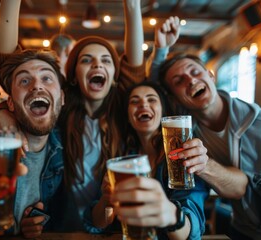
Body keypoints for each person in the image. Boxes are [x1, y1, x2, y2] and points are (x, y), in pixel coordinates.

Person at [156, 53, 261, 240]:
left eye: (195, 72)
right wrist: (160, 49)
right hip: (239, 228)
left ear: (211, 76)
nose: (190, 80)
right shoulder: (186, 134)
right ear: (175, 98)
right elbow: (150, 93)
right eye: (179, 80)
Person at [53, 0, 146, 232]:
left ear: (114, 77)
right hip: (62, 228)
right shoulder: (59, 113)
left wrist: (133, 8)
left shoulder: (124, 112)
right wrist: (4, 111)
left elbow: (134, 66)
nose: (97, 64)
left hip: (109, 226)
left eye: (106, 60)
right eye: (86, 60)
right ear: (74, 75)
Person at [87, 81, 209, 239]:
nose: (143, 104)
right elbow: (98, 223)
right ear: (128, 117)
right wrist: (106, 199)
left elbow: (192, 230)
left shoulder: (183, 155)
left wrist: (171, 214)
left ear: (162, 112)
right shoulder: (122, 163)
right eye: (134, 101)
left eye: (151, 99)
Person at [0, 0, 65, 238]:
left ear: (62, 98)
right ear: (10, 101)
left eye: (47, 79)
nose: (36, 87)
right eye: (24, 80)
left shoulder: (65, 151)